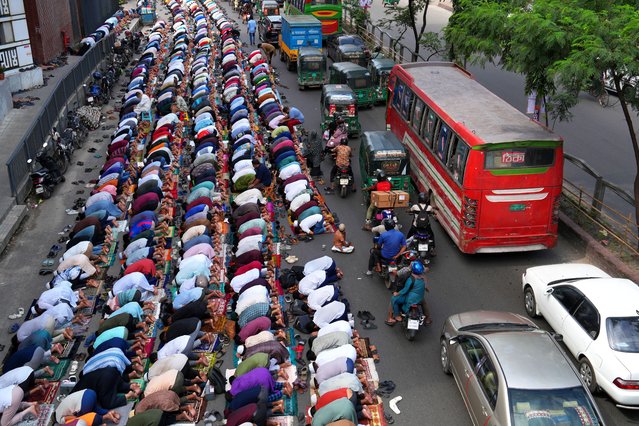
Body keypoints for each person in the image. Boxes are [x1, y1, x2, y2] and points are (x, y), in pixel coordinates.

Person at [385, 261, 428, 326]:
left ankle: (393, 317)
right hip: (419, 298)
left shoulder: (409, 276)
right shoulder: (423, 277)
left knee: (393, 299)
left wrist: (397, 293)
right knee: (424, 303)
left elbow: (405, 290)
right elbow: (426, 286)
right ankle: (428, 318)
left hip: (408, 296)